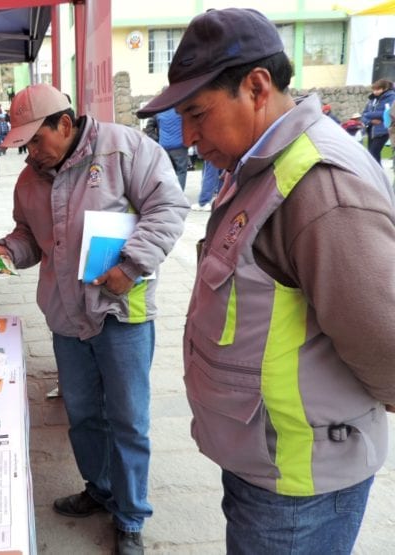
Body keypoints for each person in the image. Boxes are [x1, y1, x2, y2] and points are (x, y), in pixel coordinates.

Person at [136, 8, 395, 554]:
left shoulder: (320, 186)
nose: (188, 137)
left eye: (197, 114)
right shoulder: (257, 168)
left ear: (256, 87)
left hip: (302, 482)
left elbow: (384, 342)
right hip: (266, 462)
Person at [0, 83, 188, 555]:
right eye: (24, 146)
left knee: (128, 419)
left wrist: (131, 265)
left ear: (64, 123)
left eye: (36, 141)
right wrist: (5, 252)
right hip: (65, 316)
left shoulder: (126, 149)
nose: (32, 154)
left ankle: (131, 516)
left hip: (122, 312)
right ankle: (99, 489)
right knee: (82, 415)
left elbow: (168, 207)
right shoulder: (29, 179)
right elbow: (28, 237)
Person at [361, 79, 395, 165]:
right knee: (373, 155)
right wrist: (370, 121)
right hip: (371, 129)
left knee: (373, 153)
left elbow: (388, 112)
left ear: (384, 88)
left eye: (377, 89)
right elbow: (364, 114)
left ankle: (377, 175)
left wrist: (370, 114)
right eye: (374, 89)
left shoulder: (391, 97)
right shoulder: (372, 99)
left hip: (383, 130)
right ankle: (379, 174)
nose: (375, 92)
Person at [155, 106, 188, 189]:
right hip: (179, 145)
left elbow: (157, 126)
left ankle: (169, 194)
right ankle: (179, 195)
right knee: (181, 171)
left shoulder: (160, 112)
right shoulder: (179, 110)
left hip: (164, 146)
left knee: (167, 172)